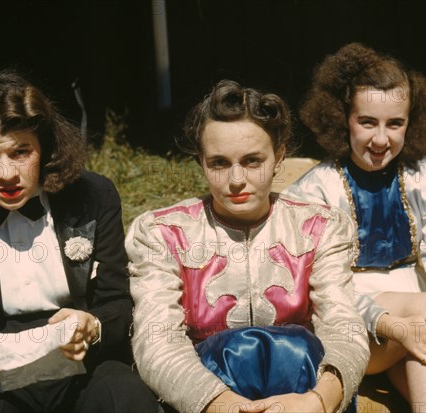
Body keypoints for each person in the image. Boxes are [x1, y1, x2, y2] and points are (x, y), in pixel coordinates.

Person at [125, 80, 370, 413]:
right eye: (219, 163)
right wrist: (219, 403)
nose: (237, 179)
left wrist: (319, 401)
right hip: (203, 398)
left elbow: (345, 328)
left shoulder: (319, 227)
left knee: (296, 347)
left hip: (303, 395)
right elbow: (156, 340)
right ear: (201, 162)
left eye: (253, 161)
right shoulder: (164, 233)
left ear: (279, 156)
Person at [283, 43, 426, 412]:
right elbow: (323, 287)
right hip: (353, 315)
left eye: (394, 123)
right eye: (367, 122)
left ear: (411, 123)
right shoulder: (315, 191)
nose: (381, 139)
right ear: (341, 118)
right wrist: (399, 326)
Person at [0, 71, 160, 413]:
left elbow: (117, 301)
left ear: (44, 146)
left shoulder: (93, 195)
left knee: (127, 398)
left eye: (20, 152)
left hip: (84, 363)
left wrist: (94, 326)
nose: (7, 175)